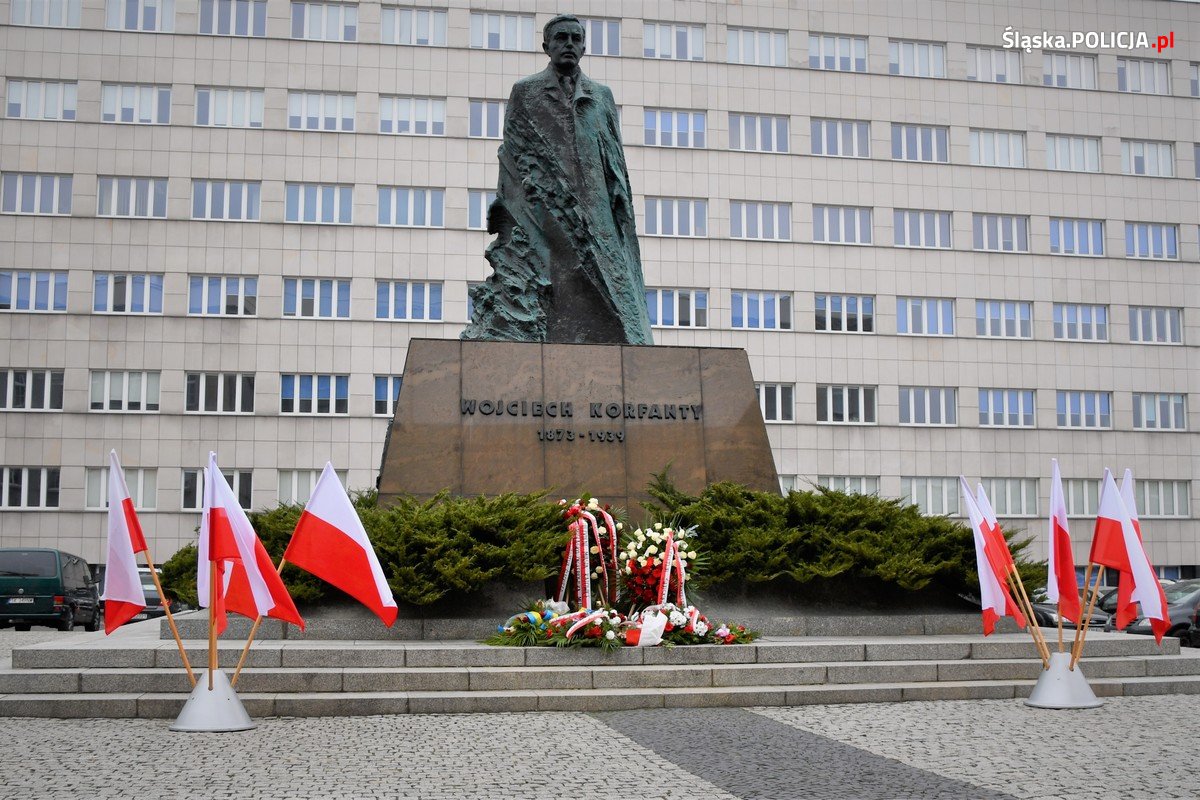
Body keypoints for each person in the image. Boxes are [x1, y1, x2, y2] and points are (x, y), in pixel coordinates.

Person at [462, 14, 654, 345]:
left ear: (583, 46)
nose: (568, 44)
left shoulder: (601, 95)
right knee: (554, 278)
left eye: (575, 39)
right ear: (546, 46)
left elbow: (614, 157)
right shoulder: (526, 91)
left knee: (610, 284)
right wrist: (510, 209)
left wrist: (619, 200)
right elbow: (513, 151)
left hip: (596, 208)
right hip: (544, 204)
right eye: (561, 38)